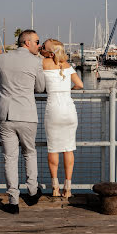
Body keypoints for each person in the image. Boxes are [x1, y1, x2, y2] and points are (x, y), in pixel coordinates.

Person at [0, 29, 45, 214]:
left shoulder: (2, 58)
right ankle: (32, 192)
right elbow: (40, 87)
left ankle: (13, 201)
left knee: (10, 158)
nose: (39, 45)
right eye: (37, 42)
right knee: (29, 153)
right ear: (27, 42)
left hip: (5, 114)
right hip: (27, 114)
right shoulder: (36, 61)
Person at [40, 39, 83, 198]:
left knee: (53, 148)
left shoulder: (44, 63)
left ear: (50, 51)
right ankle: (68, 189)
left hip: (54, 110)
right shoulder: (67, 65)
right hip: (69, 109)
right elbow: (80, 85)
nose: (41, 49)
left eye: (43, 47)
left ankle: (55, 188)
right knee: (68, 148)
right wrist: (68, 90)